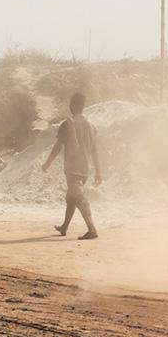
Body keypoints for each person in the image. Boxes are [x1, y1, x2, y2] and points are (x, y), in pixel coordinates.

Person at [41, 92, 103, 239]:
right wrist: (98, 171)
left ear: (72, 106)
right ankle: (64, 227)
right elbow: (95, 151)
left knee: (79, 198)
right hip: (85, 170)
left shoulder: (67, 124)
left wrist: (47, 163)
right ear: (83, 106)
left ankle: (92, 229)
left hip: (72, 168)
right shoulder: (92, 127)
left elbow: (58, 147)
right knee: (71, 198)